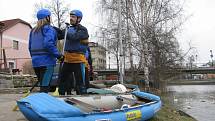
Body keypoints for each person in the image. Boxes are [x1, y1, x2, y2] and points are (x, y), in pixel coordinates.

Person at [29, 9, 64, 93]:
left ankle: (42, 103)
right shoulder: (49, 29)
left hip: (35, 62)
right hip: (47, 63)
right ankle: (43, 104)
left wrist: (35, 58)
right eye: (50, 16)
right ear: (47, 17)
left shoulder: (32, 31)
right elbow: (48, 44)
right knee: (45, 86)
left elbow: (30, 47)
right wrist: (58, 55)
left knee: (43, 84)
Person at [57, 9, 89, 95]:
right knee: (62, 80)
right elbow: (59, 35)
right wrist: (54, 30)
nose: (71, 18)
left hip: (78, 60)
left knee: (80, 82)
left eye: (73, 17)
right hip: (67, 59)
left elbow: (74, 37)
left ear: (79, 19)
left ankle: (82, 96)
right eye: (70, 16)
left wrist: (65, 32)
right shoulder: (68, 29)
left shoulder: (83, 30)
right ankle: (61, 95)